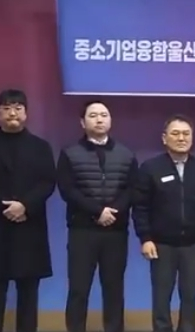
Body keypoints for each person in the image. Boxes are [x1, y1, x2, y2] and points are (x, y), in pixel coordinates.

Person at [0, 89, 56, 332]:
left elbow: (48, 182)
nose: (12, 113)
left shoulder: (41, 147)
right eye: (6, 108)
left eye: (18, 108)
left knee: (28, 290)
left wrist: (24, 205)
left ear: (26, 113)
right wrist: (4, 205)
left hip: (30, 225)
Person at [133, 114, 195, 332]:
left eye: (186, 134)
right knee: (161, 297)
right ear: (164, 138)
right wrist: (145, 238)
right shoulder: (150, 168)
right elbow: (140, 207)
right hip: (161, 244)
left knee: (190, 296)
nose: (181, 138)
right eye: (175, 133)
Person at [57, 100, 138, 332]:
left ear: (110, 120)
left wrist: (113, 212)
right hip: (82, 230)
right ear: (83, 123)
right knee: (79, 289)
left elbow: (132, 189)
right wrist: (98, 211)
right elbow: (68, 190)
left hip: (115, 231)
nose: (99, 119)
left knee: (114, 289)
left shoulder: (126, 154)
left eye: (104, 115)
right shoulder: (69, 153)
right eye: (93, 115)